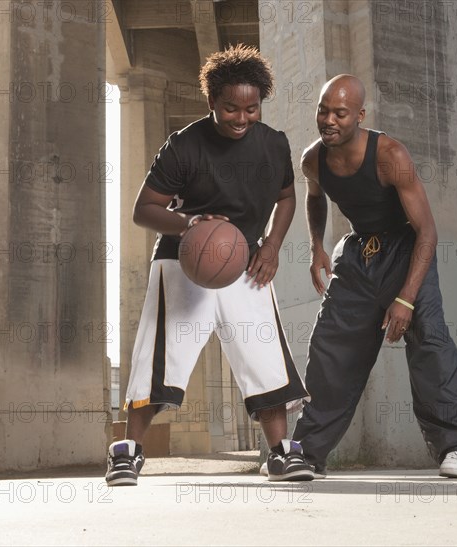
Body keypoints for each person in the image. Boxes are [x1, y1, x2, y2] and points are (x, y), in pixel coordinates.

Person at [106, 44, 314, 486]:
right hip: (184, 261)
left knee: (264, 356)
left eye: (251, 108)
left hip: (248, 262)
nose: (241, 118)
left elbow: (286, 197)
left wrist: (273, 245)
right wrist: (189, 223)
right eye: (230, 108)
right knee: (160, 358)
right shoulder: (184, 145)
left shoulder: (274, 144)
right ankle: (127, 453)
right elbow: (143, 210)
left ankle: (280, 453)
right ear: (211, 102)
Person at [291, 74, 457, 479]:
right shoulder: (313, 158)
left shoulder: (389, 154)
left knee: (428, 338)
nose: (329, 120)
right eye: (323, 111)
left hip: (406, 248)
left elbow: (427, 231)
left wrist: (407, 298)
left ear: (360, 115)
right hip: (359, 252)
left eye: (340, 113)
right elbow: (313, 195)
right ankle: (306, 452)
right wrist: (316, 246)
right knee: (331, 346)